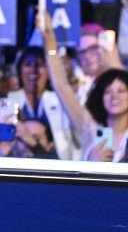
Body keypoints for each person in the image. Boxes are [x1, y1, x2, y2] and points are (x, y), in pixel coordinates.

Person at [40, 11, 128, 162]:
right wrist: (51, 42)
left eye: (121, 91)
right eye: (107, 91)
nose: (115, 96)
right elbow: (61, 86)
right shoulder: (92, 130)